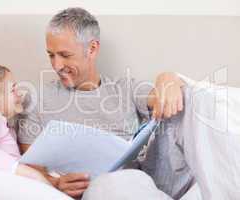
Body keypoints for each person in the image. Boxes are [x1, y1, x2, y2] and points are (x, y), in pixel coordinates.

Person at [18, 7, 192, 199]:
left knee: (193, 98)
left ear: (92, 49)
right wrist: (55, 183)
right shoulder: (37, 100)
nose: (56, 65)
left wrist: (167, 77)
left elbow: (162, 97)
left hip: (132, 185)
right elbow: (28, 169)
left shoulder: (124, 88)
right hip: (88, 193)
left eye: (65, 55)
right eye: (51, 55)